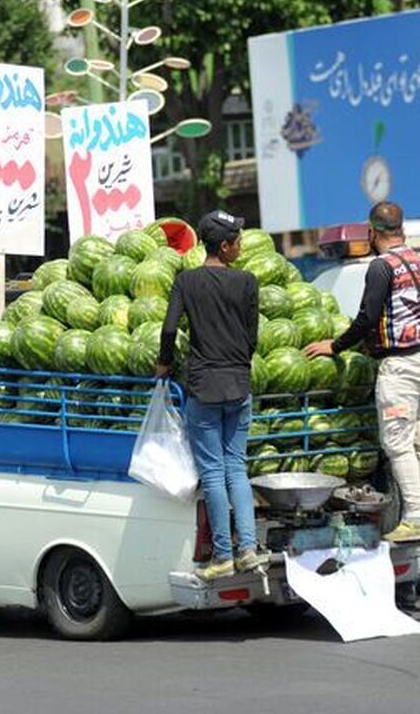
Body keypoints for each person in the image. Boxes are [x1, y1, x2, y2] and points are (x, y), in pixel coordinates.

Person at [306, 200, 420, 543]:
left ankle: (413, 516)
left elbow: (367, 318)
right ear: (402, 229)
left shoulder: (381, 267)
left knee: (397, 443)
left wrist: (334, 346)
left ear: (371, 232)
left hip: (400, 367)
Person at [157, 210, 267, 581]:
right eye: (237, 239)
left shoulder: (186, 281)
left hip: (203, 388)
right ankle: (248, 549)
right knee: (237, 467)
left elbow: (169, 329)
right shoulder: (248, 282)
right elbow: (252, 338)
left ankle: (223, 554)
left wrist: (164, 363)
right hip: (239, 385)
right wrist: (238, 360)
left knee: (214, 472)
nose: (240, 245)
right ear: (225, 245)